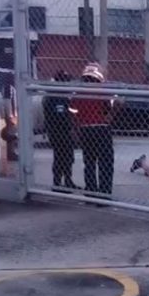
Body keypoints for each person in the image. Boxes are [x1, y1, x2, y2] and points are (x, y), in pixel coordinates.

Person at [71, 63, 116, 197]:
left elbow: (72, 111)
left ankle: (91, 192)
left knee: (89, 162)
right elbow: (110, 108)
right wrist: (110, 116)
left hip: (85, 130)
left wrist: (76, 126)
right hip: (101, 129)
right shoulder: (102, 91)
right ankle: (104, 193)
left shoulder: (78, 92)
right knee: (105, 163)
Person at [43, 70, 77, 191]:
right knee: (60, 156)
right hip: (58, 131)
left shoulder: (64, 95)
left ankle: (67, 180)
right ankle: (57, 183)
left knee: (68, 156)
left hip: (64, 130)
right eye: (66, 81)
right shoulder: (54, 96)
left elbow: (70, 111)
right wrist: (70, 121)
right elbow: (59, 114)